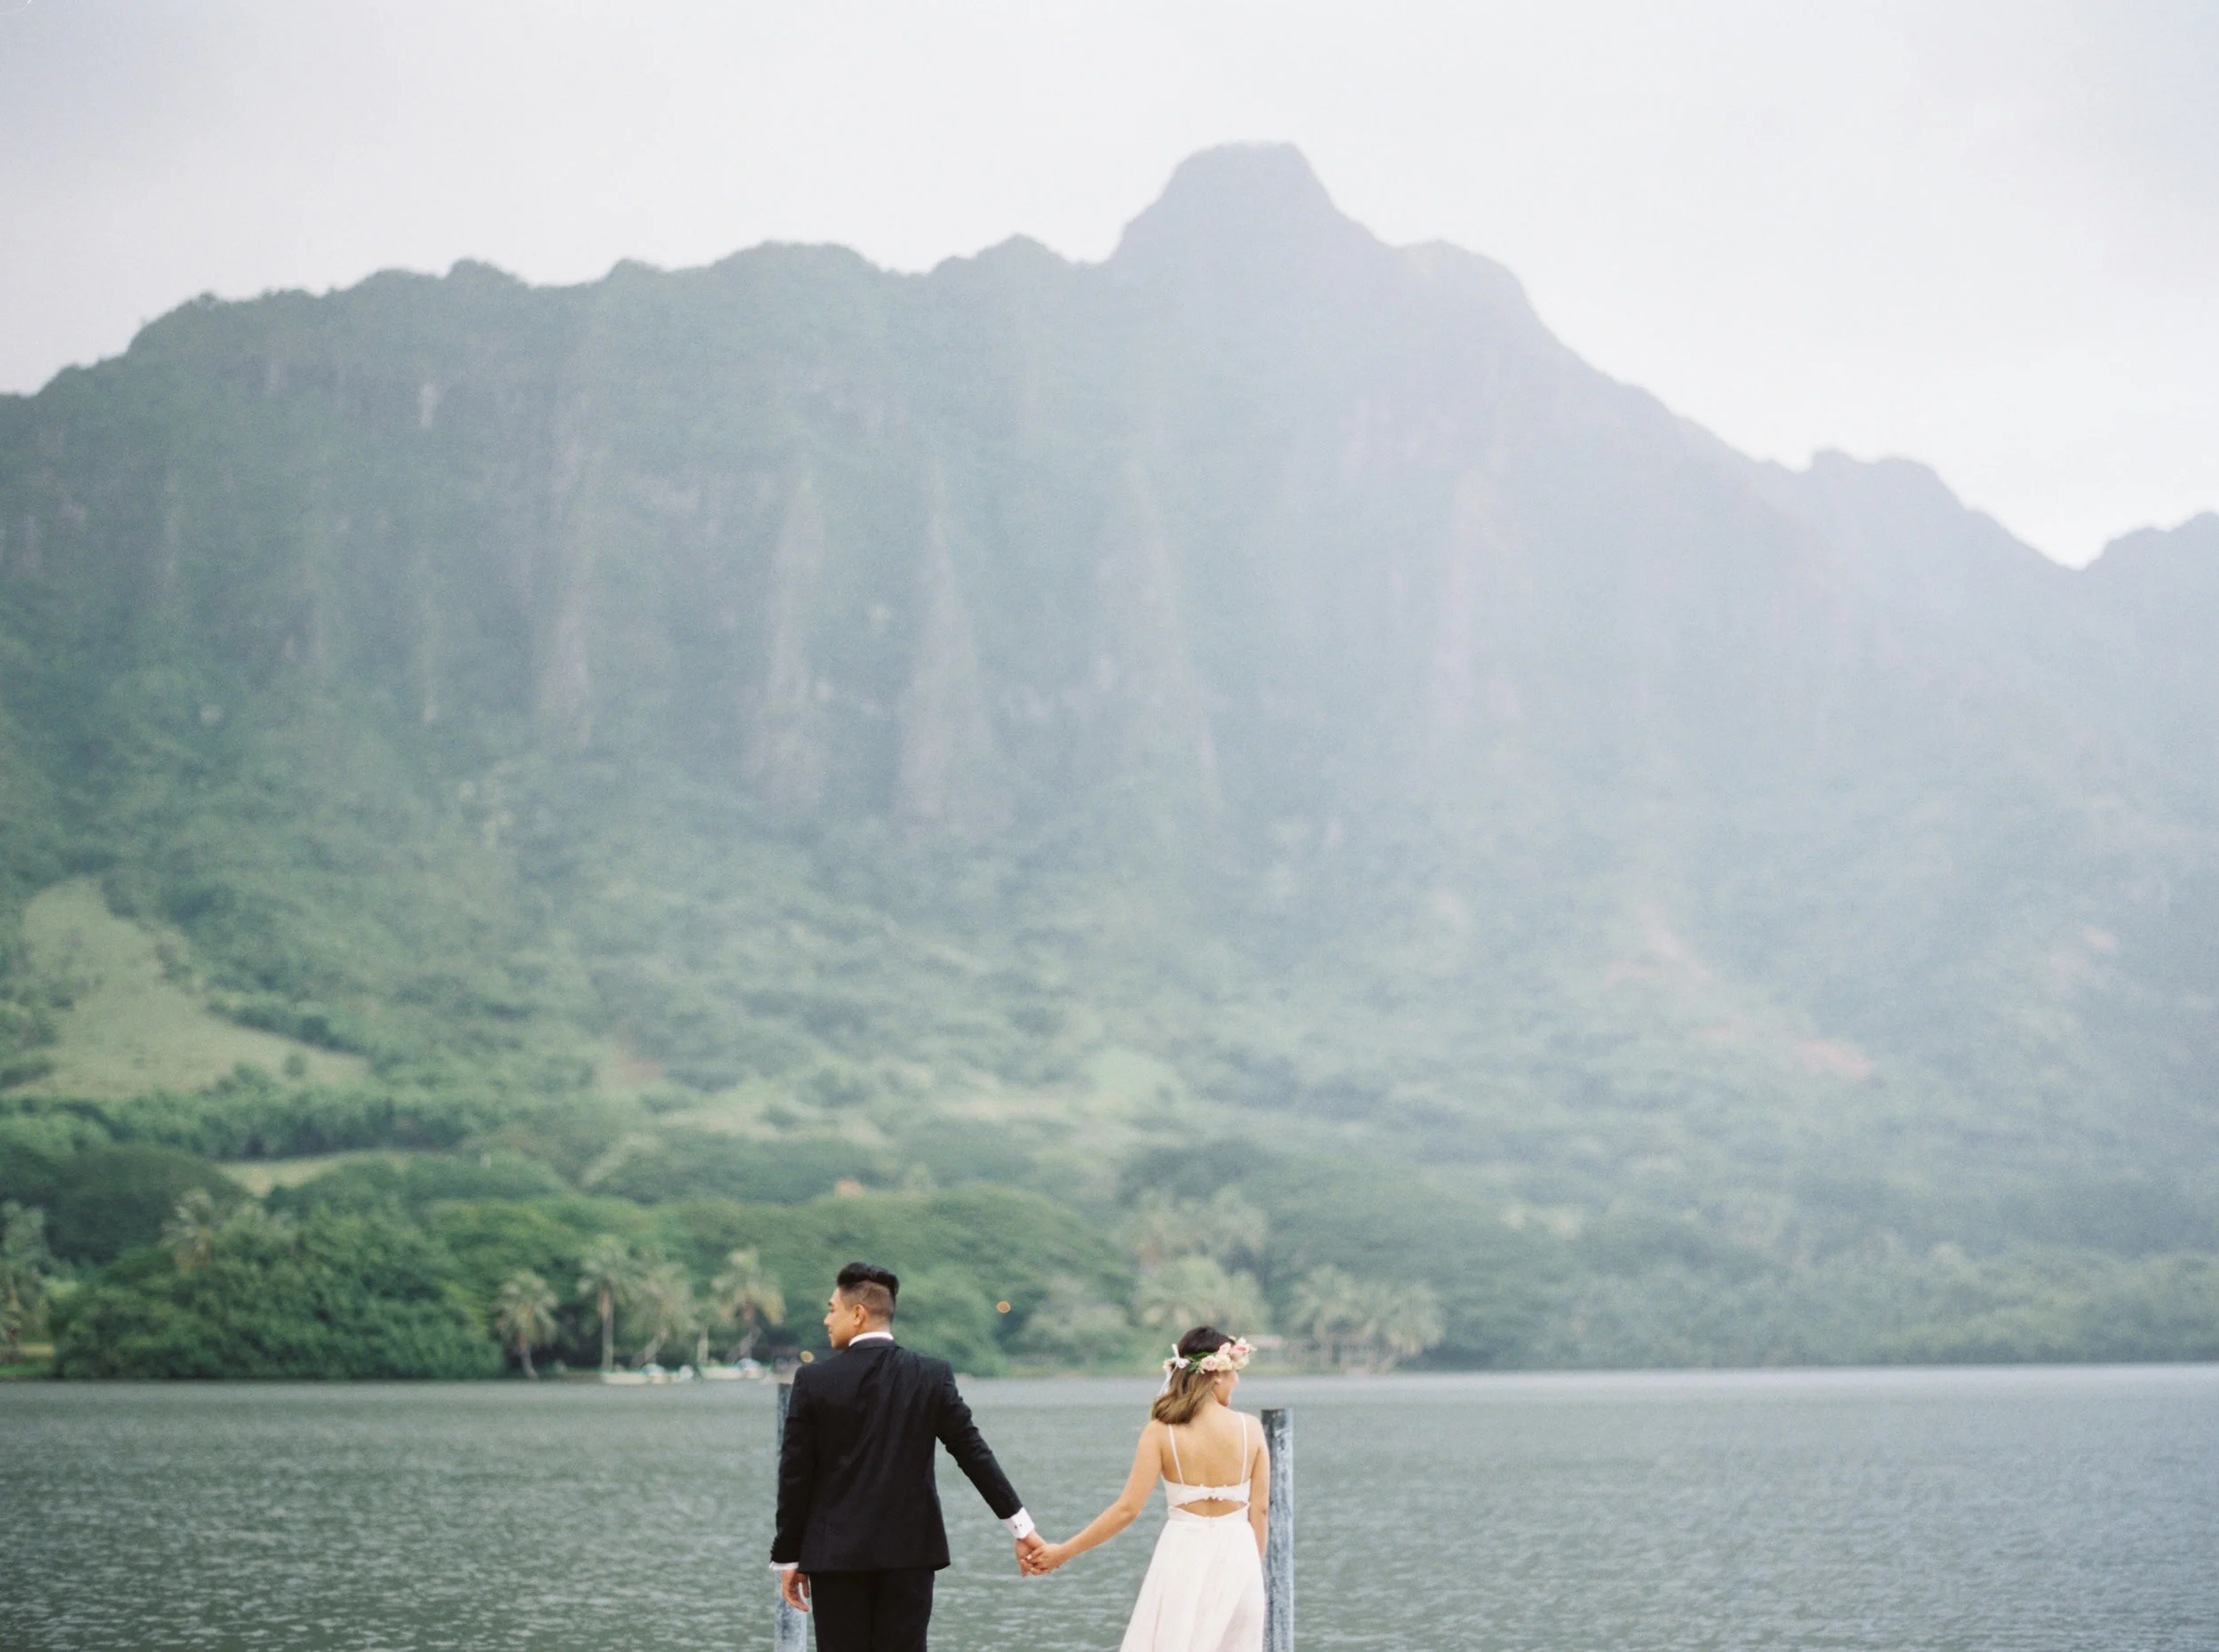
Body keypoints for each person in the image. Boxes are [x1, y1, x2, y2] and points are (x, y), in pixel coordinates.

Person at [772, 1261, 1046, 1652]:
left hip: (836, 1557)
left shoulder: (814, 1381)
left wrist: (788, 1557)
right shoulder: (930, 1375)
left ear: (858, 1313)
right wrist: (1021, 1528)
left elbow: (795, 1476)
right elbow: (973, 1453)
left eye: (832, 1309)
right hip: (910, 1553)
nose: (826, 1319)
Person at [1023, 1325, 1267, 1652]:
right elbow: (1260, 1510)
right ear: (1217, 1374)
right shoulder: (1251, 1428)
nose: (1237, 1381)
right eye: (1235, 1372)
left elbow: (1127, 1510)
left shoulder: (1160, 1431)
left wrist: (1062, 1552)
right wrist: (1253, 1570)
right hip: (1240, 1557)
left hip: (1182, 1555)